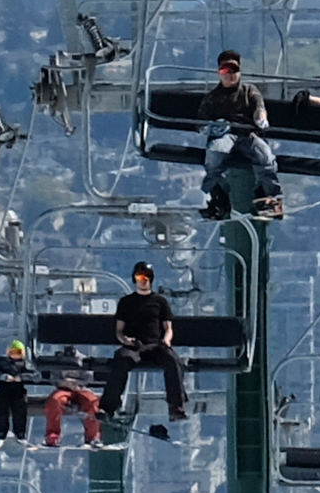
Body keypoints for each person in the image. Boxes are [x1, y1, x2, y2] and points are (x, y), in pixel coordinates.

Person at [195, 50, 279, 222]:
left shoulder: (249, 91)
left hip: (247, 133)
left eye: (234, 70)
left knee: (266, 157)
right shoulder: (212, 97)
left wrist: (261, 119)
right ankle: (217, 195)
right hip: (225, 135)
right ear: (219, 72)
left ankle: (269, 197)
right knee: (214, 155)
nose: (231, 75)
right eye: (226, 71)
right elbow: (200, 121)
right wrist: (210, 127)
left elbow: (259, 107)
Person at [113, 261, 189, 436]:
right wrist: (126, 340)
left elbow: (168, 328)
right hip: (134, 345)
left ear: (151, 279)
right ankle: (109, 406)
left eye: (146, 277)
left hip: (155, 345)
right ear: (135, 279)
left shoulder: (160, 301)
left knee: (173, 361)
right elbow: (119, 330)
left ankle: (176, 406)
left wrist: (166, 340)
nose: (143, 280)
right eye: (140, 277)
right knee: (121, 360)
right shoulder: (126, 302)